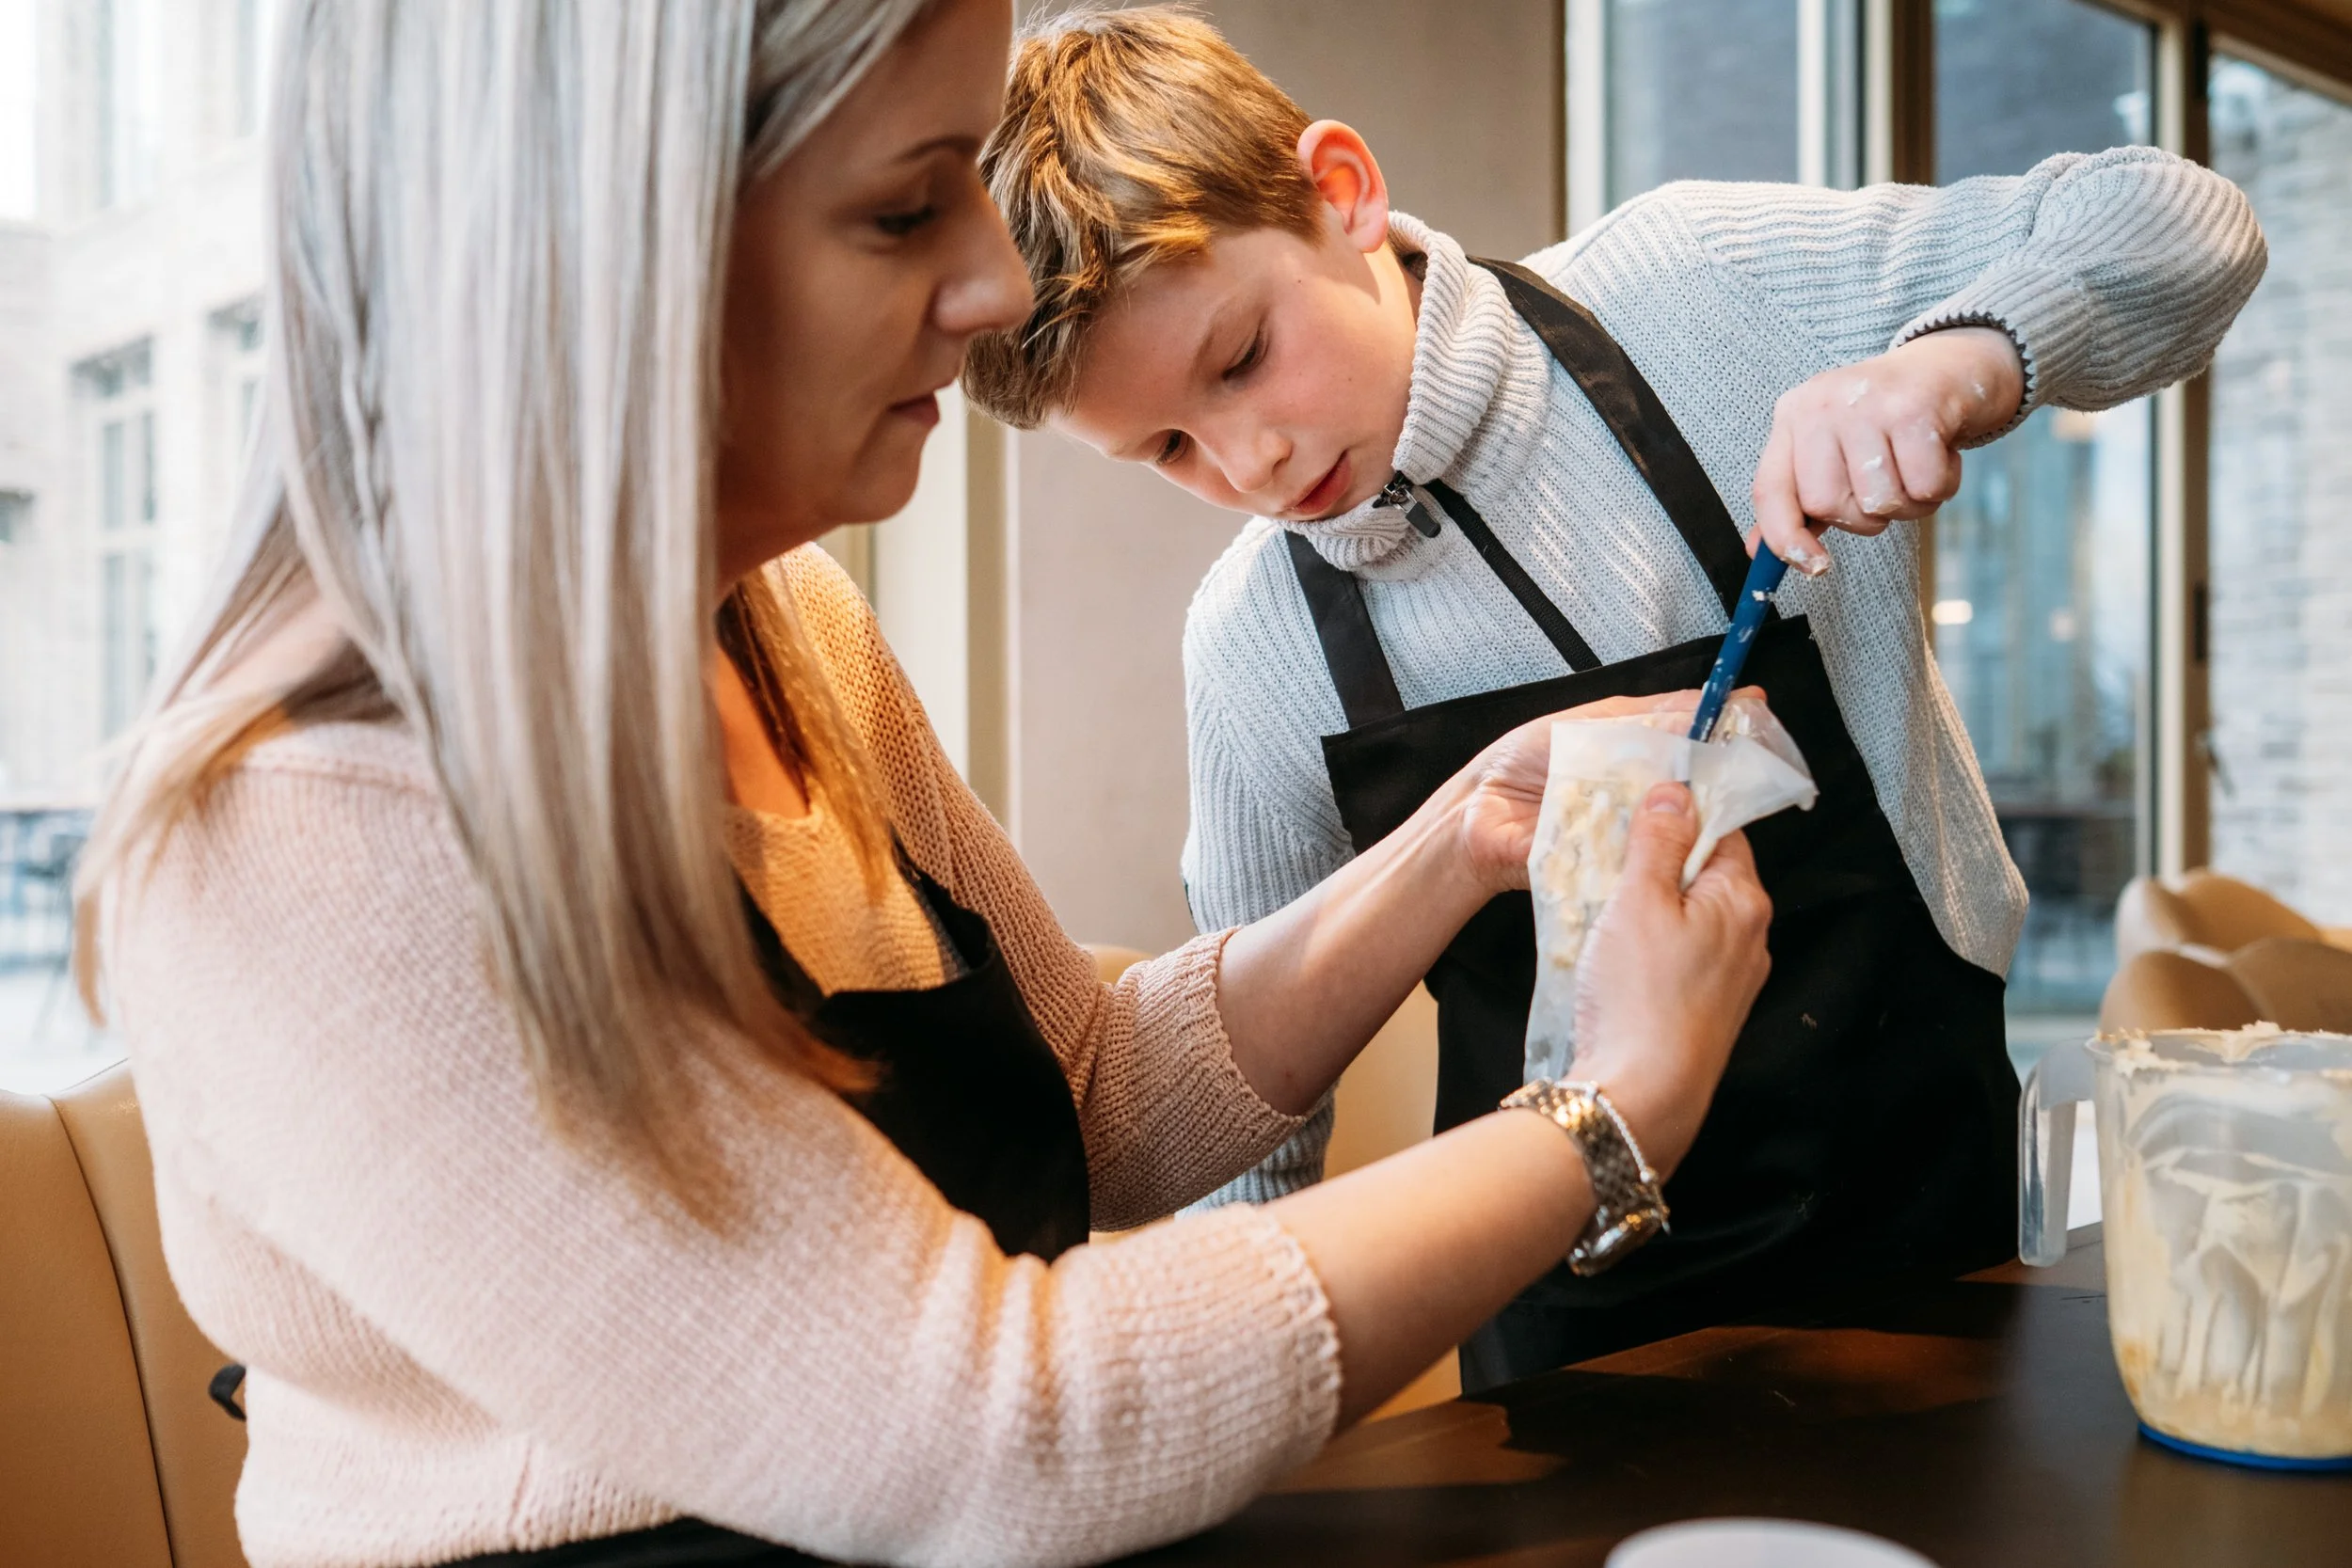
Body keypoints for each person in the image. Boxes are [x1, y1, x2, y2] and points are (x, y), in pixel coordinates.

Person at [77, 4, 1772, 1565]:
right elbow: (993, 1433)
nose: (994, 289)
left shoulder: (787, 622)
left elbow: (1093, 1092)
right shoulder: (290, 830)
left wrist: (1452, 840)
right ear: (593, 259)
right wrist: (1605, 1117)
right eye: (905, 212)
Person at [961, 7, 2268, 1390]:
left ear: (1342, 191)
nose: (1253, 459)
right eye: (1168, 445)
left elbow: (2183, 221)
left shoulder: (1692, 289)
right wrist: (1255, 1427)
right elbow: (1256, 1128)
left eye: (1239, 359)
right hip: (1566, 1348)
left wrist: (1956, 362)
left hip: (1937, 1246)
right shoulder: (1252, 644)